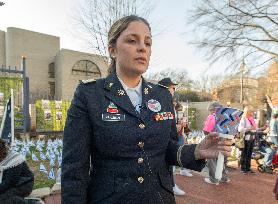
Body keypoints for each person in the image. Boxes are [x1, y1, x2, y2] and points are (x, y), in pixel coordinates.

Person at [62, 15, 233, 204]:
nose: (142, 47)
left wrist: (196, 151)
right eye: (132, 40)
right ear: (112, 50)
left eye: (148, 43)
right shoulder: (90, 94)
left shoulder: (162, 95)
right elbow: (74, 169)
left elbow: (168, 149)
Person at [203, 102, 230, 185]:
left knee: (212, 160)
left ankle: (213, 179)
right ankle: (223, 177)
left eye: (210, 110)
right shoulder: (226, 117)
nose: (210, 112)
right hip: (224, 140)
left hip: (213, 140)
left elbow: (207, 130)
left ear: (214, 109)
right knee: (222, 160)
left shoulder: (212, 117)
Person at [0, 138, 35, 204]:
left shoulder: (14, 160)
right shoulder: (2, 159)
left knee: (3, 199)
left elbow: (10, 182)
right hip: (7, 184)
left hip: (22, 184)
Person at [238, 105, 257, 174]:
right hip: (246, 139)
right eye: (251, 111)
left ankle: (248, 168)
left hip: (252, 138)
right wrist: (249, 128)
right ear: (248, 111)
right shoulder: (243, 119)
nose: (253, 112)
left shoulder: (251, 119)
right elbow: (240, 129)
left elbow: (255, 128)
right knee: (245, 154)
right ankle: (243, 169)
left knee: (249, 154)